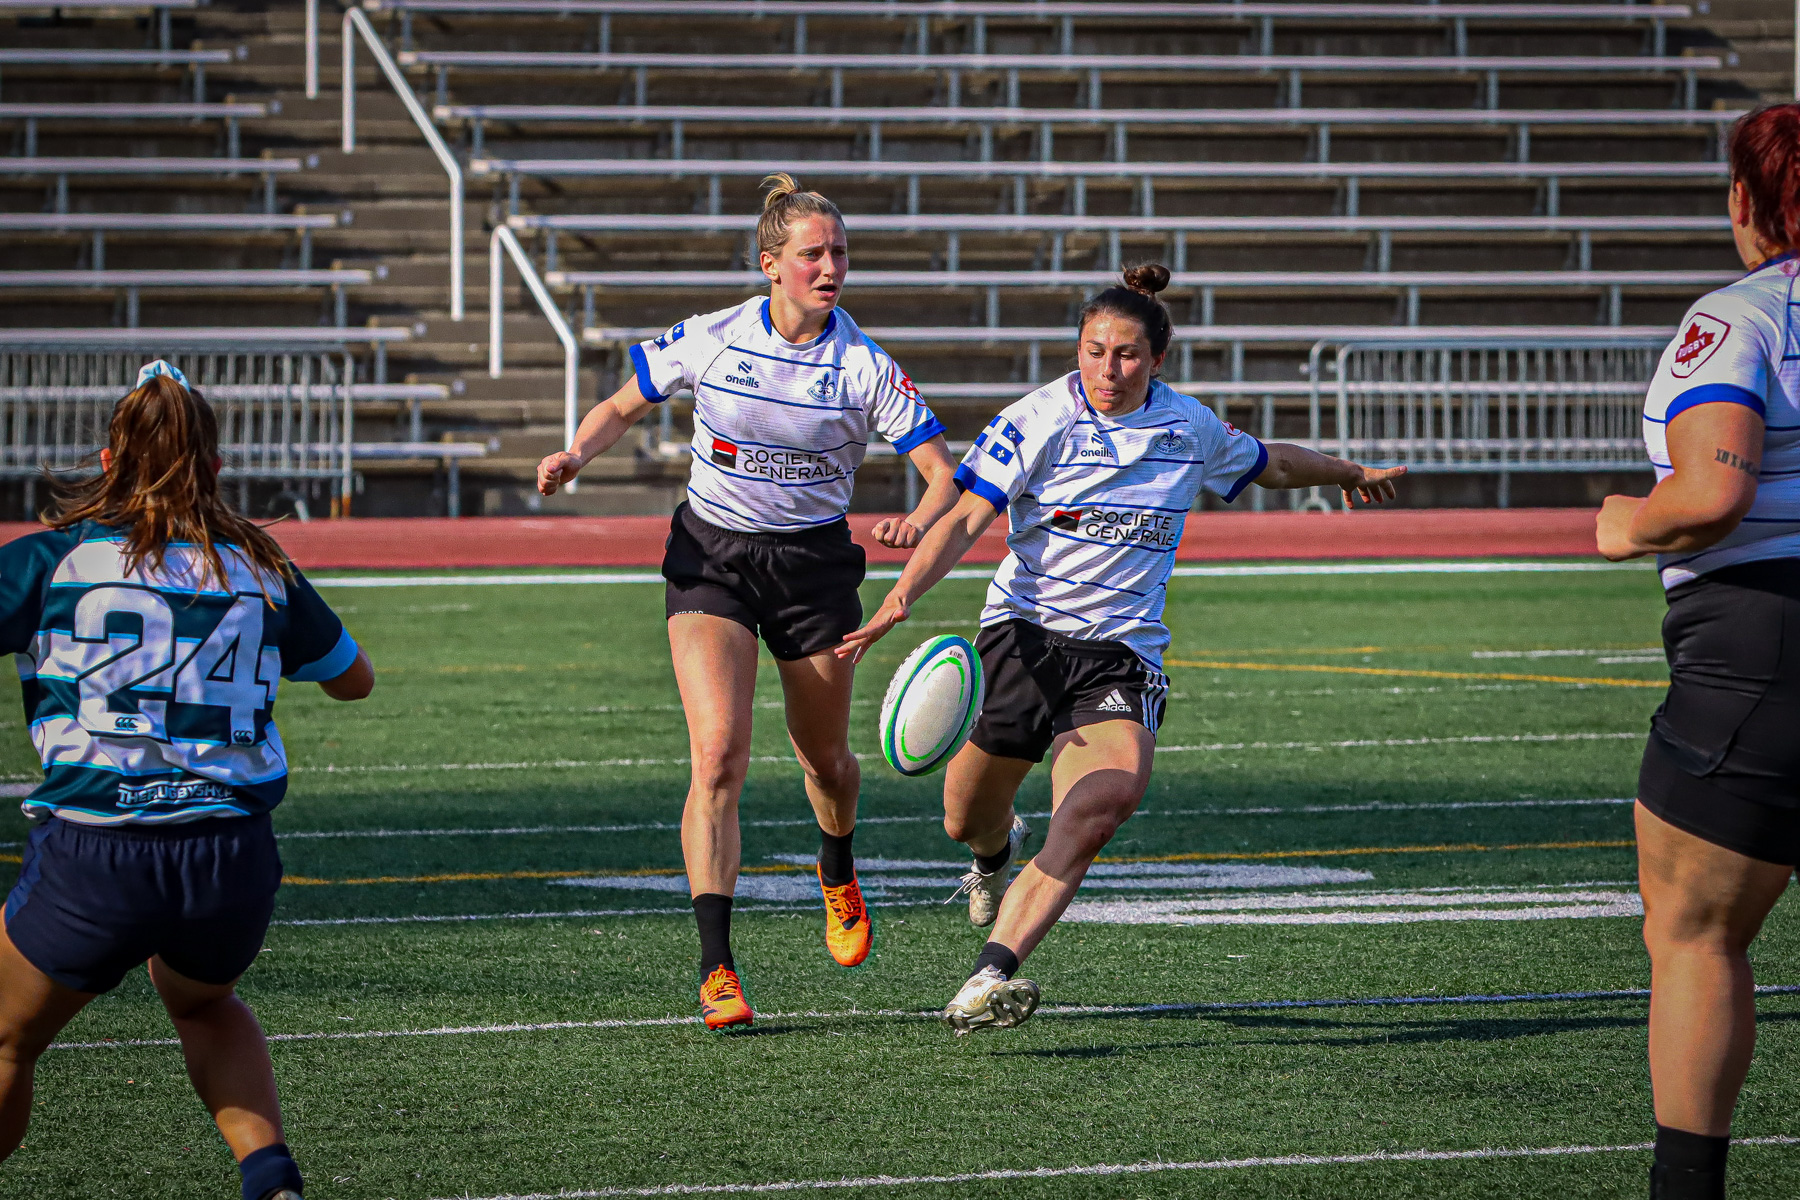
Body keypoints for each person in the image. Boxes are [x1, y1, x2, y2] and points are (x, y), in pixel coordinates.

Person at [837, 264, 1405, 1033]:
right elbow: (969, 517)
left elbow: (1271, 463)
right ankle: (992, 858)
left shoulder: (1187, 426)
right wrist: (902, 597)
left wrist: (1349, 471)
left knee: (1103, 801)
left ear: (1157, 360)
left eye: (1128, 354)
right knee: (964, 817)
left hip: (1120, 655)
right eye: (1094, 350)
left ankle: (990, 975)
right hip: (1023, 641)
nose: (1109, 368)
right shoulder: (1037, 418)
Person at [537, 174, 959, 1030]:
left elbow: (943, 475)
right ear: (771, 265)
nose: (830, 267)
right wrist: (576, 454)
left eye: (839, 253)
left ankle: (835, 869)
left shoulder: (863, 364)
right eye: (813, 254)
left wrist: (917, 521)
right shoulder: (714, 336)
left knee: (826, 763)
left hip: (814, 572)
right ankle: (717, 967)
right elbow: (623, 404)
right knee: (719, 754)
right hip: (711, 559)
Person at [0, 362, 373, 1200]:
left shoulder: (53, 561)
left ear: (106, 460)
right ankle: (271, 1180)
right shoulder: (258, 563)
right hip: (228, 852)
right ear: (213, 467)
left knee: (7, 1043)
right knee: (205, 1005)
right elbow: (354, 678)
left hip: (96, 849)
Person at [1596, 102, 1800, 1200]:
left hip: (1766, 644)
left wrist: (1626, 517)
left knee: (1698, 936)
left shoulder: (1742, 315)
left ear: (1748, 202)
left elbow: (1714, 493)